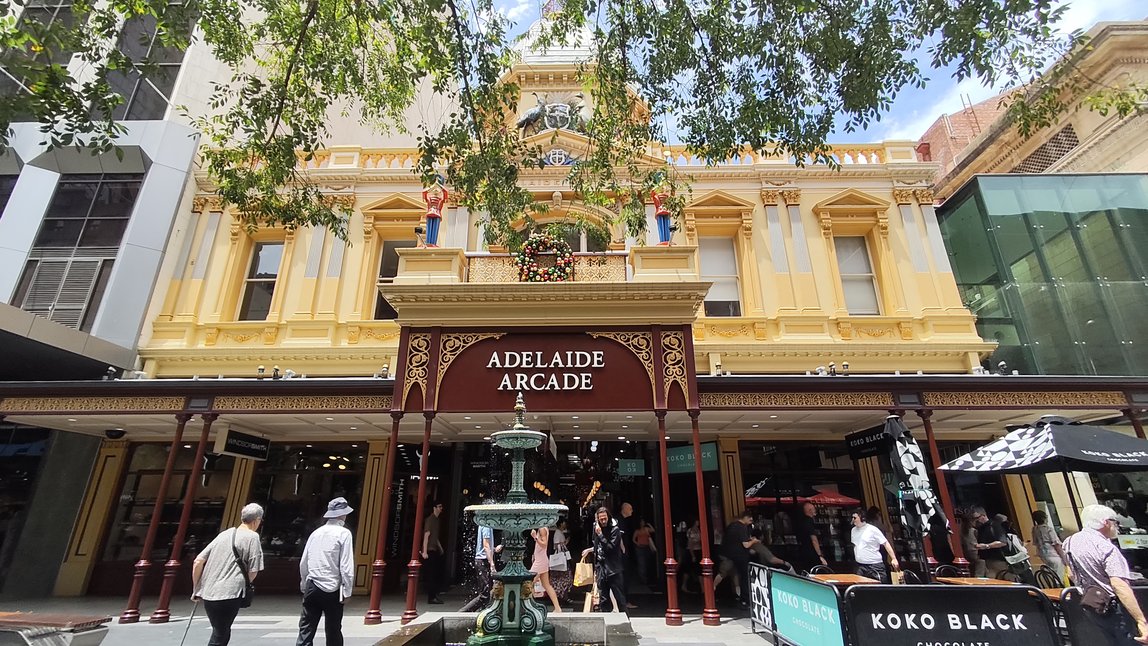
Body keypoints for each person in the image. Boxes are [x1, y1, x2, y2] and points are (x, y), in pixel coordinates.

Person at [1064, 504, 1148, 645]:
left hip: (1092, 604)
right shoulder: (1106, 548)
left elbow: (1071, 573)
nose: (1117, 526)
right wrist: (1141, 621)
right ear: (1106, 522)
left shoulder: (1070, 542)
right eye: (1115, 522)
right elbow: (1119, 585)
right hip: (1115, 607)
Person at [191, 503, 265, 646]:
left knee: (220, 631)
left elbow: (198, 561)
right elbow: (253, 570)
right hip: (230, 592)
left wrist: (196, 588)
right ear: (256, 520)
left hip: (209, 592)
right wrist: (245, 585)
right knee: (220, 634)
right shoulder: (252, 537)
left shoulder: (225, 534)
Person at [295, 497, 355, 646]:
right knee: (333, 629)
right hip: (332, 587)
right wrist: (347, 590)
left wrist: (304, 583)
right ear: (342, 515)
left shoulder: (316, 533)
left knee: (306, 628)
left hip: (312, 584)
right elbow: (346, 566)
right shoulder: (344, 533)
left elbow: (304, 562)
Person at [582, 506, 627, 613]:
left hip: (613, 569)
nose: (603, 521)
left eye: (605, 519)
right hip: (601, 567)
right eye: (601, 519)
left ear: (608, 517)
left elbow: (610, 548)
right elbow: (597, 546)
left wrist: (601, 535)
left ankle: (625, 619)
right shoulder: (597, 529)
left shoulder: (614, 530)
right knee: (603, 598)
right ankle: (605, 616)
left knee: (619, 597)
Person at [850, 508, 899, 583]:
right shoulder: (853, 530)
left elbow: (885, 543)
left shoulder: (872, 529)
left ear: (862, 518)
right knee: (859, 586)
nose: (853, 520)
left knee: (879, 586)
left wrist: (894, 558)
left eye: (855, 518)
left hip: (874, 565)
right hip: (860, 565)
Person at [722, 510, 757, 608]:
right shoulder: (742, 528)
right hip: (741, 556)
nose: (751, 521)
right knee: (744, 577)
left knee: (729, 574)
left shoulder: (731, 526)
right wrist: (753, 541)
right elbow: (746, 545)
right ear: (745, 517)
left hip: (729, 555)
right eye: (750, 519)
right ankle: (745, 599)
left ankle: (734, 594)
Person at [529, 525, 562, 612]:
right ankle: (557, 608)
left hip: (540, 561)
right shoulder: (542, 528)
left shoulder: (542, 529)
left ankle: (531, 606)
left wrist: (535, 537)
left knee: (529, 582)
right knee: (546, 585)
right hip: (541, 559)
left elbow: (544, 544)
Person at [972, 507, 1010, 578]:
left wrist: (986, 546)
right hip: (986, 562)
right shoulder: (980, 529)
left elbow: (1002, 542)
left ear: (983, 515)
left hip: (998, 560)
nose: (976, 520)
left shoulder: (994, 525)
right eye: (973, 519)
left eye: (977, 518)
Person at [421, 501, 445, 604]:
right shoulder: (430, 520)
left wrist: (440, 547)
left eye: (441, 507)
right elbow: (427, 535)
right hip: (430, 550)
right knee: (431, 574)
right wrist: (424, 551)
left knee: (435, 573)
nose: (441, 508)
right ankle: (431, 597)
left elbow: (435, 537)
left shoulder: (437, 520)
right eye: (439, 506)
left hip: (434, 549)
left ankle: (433, 595)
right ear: (434, 508)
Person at [1031, 510, 1067, 580]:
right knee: (1059, 576)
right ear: (1044, 518)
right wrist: (1064, 558)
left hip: (1043, 555)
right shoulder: (1049, 529)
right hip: (1053, 554)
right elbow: (1056, 544)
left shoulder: (1034, 529)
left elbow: (1035, 542)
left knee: (1051, 574)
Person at [794, 502, 826, 573]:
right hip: (812, 552)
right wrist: (819, 555)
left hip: (803, 550)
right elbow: (813, 539)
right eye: (814, 509)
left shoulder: (801, 522)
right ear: (810, 510)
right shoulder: (809, 521)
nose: (815, 511)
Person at [474, 523, 499, 605]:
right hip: (483, 561)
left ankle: (485, 609)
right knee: (485, 594)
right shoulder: (487, 526)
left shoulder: (483, 524)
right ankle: (464, 611)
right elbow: (486, 546)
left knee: (487, 591)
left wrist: (494, 549)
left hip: (482, 560)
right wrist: (492, 563)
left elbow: (485, 546)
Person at [551, 518, 572, 602]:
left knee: (564, 577)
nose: (565, 525)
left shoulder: (560, 532)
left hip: (562, 557)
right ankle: (562, 596)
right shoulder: (557, 533)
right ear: (561, 524)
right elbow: (557, 545)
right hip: (560, 558)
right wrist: (565, 542)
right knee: (563, 576)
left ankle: (563, 596)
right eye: (564, 523)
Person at [960, 509, 987, 577]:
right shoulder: (973, 530)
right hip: (975, 553)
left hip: (966, 553)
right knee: (981, 566)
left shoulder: (961, 531)